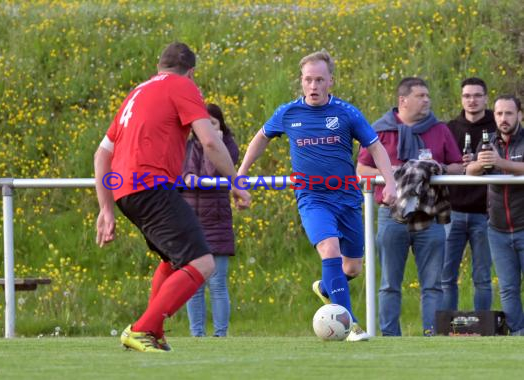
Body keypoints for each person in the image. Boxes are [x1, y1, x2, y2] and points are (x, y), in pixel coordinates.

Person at [94, 42, 250, 353]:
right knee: (203, 263)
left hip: (126, 189)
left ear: (158, 65)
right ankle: (142, 329)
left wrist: (105, 209)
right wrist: (235, 181)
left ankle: (154, 331)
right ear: (191, 72)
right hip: (150, 185)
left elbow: (101, 154)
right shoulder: (183, 86)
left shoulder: (136, 94)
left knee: (172, 260)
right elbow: (209, 141)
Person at [238, 49, 397, 341]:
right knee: (329, 249)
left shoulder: (347, 113)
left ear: (330, 82)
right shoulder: (288, 113)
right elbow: (261, 137)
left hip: (347, 198)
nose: (313, 86)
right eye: (308, 80)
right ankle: (350, 326)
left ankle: (326, 288)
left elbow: (376, 147)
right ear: (301, 81)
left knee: (352, 267)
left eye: (319, 80)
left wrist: (391, 183)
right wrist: (242, 170)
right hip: (312, 197)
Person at [357, 77, 463, 336]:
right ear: (402, 100)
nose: (427, 100)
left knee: (433, 285)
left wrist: (437, 168)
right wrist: (392, 173)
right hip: (391, 216)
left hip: (430, 216)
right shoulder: (379, 131)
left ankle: (432, 336)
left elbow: (458, 166)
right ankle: (390, 336)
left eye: (428, 95)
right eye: (421, 95)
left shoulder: (439, 129)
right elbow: (361, 168)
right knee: (389, 284)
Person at [467, 95, 524, 335]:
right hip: (497, 229)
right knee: (508, 289)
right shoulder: (488, 143)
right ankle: (518, 335)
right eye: (499, 114)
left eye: (509, 113)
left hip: (523, 225)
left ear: (520, 115)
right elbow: (469, 171)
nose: (503, 118)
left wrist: (501, 163)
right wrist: (480, 165)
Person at [182, 104, 238, 337]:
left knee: (217, 284)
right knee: (193, 285)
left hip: (218, 222)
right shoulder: (186, 147)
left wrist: (213, 146)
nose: (208, 129)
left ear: (221, 125)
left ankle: (220, 335)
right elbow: (182, 173)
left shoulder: (228, 147)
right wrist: (187, 177)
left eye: (213, 124)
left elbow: (213, 174)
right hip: (191, 222)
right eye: (204, 124)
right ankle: (197, 335)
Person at [442, 77, 495, 311]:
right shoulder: (450, 128)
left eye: (477, 95)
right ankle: (445, 328)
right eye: (467, 96)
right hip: (453, 212)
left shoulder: (497, 127)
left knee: (483, 278)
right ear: (461, 98)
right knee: (446, 276)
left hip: (486, 214)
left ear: (486, 97)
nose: (472, 100)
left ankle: (484, 329)